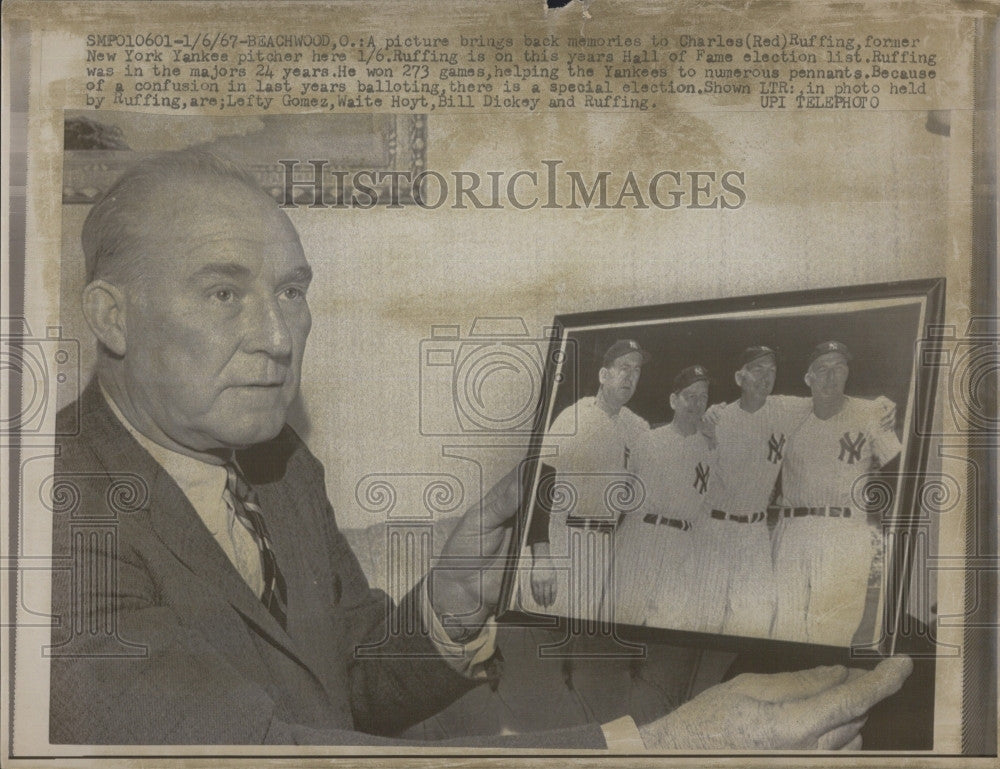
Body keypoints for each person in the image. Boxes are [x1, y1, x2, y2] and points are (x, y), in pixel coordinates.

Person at [49, 149, 911, 749]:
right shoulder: (53, 511)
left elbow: (343, 677)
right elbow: (268, 751)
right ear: (111, 316)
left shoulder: (276, 465)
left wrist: (447, 606)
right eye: (225, 292)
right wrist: (657, 747)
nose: (279, 336)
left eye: (292, 291)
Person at [770, 341, 903, 646]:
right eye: (823, 369)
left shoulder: (871, 412)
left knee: (833, 632)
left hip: (845, 529)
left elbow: (898, 470)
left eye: (839, 367)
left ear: (848, 373)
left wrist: (881, 523)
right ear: (809, 378)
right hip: (793, 529)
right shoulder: (789, 413)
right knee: (782, 627)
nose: (831, 377)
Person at [525, 338, 650, 622]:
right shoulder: (574, 418)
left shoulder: (638, 427)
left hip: (604, 548)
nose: (630, 376)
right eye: (623, 368)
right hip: (565, 540)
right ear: (603, 375)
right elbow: (539, 488)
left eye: (637, 370)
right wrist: (541, 558)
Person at [614, 365, 722, 631]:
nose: (696, 404)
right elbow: (623, 494)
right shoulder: (648, 440)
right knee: (623, 619)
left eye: (703, 397)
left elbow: (710, 506)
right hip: (642, 536)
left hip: (682, 543)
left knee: (670, 623)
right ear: (674, 400)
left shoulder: (712, 449)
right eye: (690, 396)